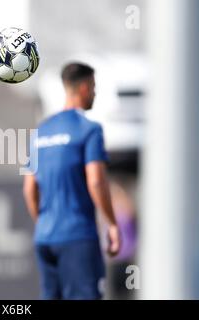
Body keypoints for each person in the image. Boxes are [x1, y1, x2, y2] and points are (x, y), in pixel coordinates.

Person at [23, 62, 121, 300]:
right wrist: (111, 223)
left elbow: (29, 188)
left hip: (45, 237)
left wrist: (44, 222)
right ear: (85, 87)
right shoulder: (90, 129)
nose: (95, 93)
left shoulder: (41, 131)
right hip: (77, 236)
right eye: (95, 87)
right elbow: (96, 181)